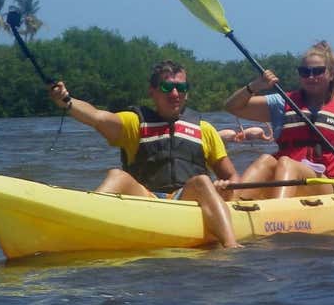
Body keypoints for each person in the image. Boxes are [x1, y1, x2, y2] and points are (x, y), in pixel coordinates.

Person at [49, 59, 242, 249]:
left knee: (202, 181)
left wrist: (228, 192)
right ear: (153, 91)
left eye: (181, 88)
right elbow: (97, 117)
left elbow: (231, 175)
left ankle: (231, 246)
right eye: (167, 87)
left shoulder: (204, 129)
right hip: (146, 200)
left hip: (187, 200)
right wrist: (67, 101)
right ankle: (82, 224)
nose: (175, 94)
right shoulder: (135, 123)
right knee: (117, 176)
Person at [224, 40, 334, 200]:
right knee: (266, 160)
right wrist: (255, 86)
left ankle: (278, 212)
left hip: (326, 184)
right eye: (304, 72)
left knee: (286, 162)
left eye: (318, 71)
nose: (311, 76)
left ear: (331, 74)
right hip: (285, 177)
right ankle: (234, 205)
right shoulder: (282, 103)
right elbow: (233, 107)